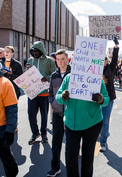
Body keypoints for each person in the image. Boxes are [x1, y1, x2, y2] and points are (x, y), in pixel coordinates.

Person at [56, 76, 109, 177]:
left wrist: (101, 99)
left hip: (92, 123)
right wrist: (62, 96)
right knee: (70, 157)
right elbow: (58, 97)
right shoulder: (68, 78)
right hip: (72, 123)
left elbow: (106, 99)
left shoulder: (97, 79)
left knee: (87, 157)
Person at [26, 41, 57, 145]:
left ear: (41, 51)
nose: (34, 53)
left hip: (44, 92)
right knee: (31, 113)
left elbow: (54, 74)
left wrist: (47, 78)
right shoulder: (30, 60)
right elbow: (27, 74)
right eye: (33, 51)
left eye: (36, 51)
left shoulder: (49, 61)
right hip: (32, 92)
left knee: (44, 114)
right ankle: (35, 133)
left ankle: (44, 133)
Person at [47, 49, 71, 177]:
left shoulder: (73, 74)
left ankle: (71, 169)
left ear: (67, 59)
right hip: (57, 113)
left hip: (71, 114)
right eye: (58, 59)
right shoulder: (54, 75)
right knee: (56, 141)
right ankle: (55, 167)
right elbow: (51, 93)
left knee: (70, 143)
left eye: (62, 59)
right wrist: (54, 103)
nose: (60, 61)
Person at [100, 37, 119, 152]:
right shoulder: (93, 69)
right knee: (97, 120)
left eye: (104, 60)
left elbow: (115, 59)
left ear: (107, 60)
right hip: (95, 99)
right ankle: (101, 134)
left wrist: (116, 46)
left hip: (109, 98)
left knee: (105, 120)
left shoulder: (110, 69)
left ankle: (103, 142)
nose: (103, 61)